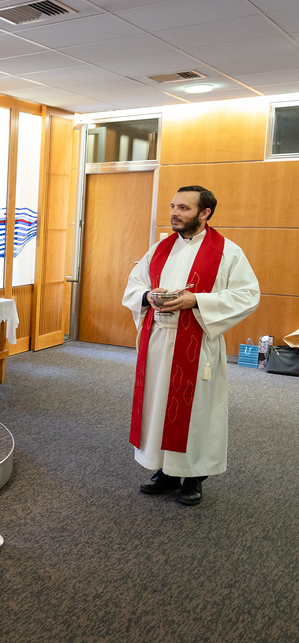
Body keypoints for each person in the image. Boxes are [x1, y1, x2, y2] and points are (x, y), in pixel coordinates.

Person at [122, 185, 259, 506]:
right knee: (158, 406)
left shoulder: (227, 252)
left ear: (205, 213)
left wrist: (196, 300)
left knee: (198, 411)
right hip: (158, 343)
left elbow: (247, 295)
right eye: (173, 206)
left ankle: (194, 476)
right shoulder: (159, 249)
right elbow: (135, 284)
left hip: (197, 346)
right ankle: (166, 471)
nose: (174, 213)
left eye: (184, 208)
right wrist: (148, 296)